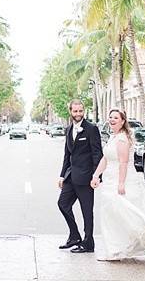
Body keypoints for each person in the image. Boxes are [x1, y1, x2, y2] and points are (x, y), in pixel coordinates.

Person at [91, 109, 145, 261]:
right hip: (109, 180)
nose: (112, 120)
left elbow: (123, 163)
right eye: (110, 117)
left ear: (123, 121)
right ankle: (121, 249)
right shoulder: (113, 137)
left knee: (128, 215)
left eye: (116, 118)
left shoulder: (122, 139)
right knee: (115, 216)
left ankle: (119, 250)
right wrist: (96, 175)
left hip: (121, 181)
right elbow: (105, 159)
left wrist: (120, 184)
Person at [57, 99, 103, 253]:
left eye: (80, 111)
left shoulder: (91, 129)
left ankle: (88, 242)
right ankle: (74, 236)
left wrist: (96, 176)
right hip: (71, 177)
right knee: (62, 204)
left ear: (84, 111)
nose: (78, 114)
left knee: (86, 211)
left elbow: (97, 153)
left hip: (86, 178)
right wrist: (62, 175)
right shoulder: (69, 129)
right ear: (70, 111)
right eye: (75, 111)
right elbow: (66, 155)